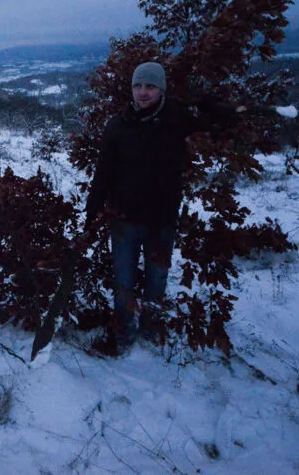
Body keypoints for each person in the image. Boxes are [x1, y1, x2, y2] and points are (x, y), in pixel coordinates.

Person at [85, 62, 239, 353]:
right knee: (123, 280)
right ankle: (123, 331)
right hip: (123, 218)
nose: (142, 92)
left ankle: (150, 326)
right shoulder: (117, 126)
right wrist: (92, 209)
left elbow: (217, 125)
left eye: (150, 86)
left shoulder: (177, 121)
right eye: (137, 86)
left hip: (162, 220)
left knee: (156, 279)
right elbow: (103, 171)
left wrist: (212, 107)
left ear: (162, 90)